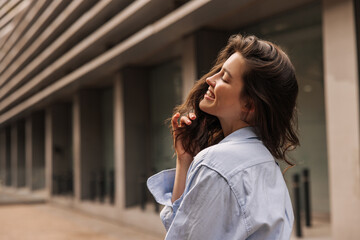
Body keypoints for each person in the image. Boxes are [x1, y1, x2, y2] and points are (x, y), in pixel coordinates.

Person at [147, 34, 299, 239]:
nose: (210, 79)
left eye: (225, 78)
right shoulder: (266, 163)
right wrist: (185, 161)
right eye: (219, 71)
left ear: (249, 105)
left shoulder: (216, 164)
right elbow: (183, 228)